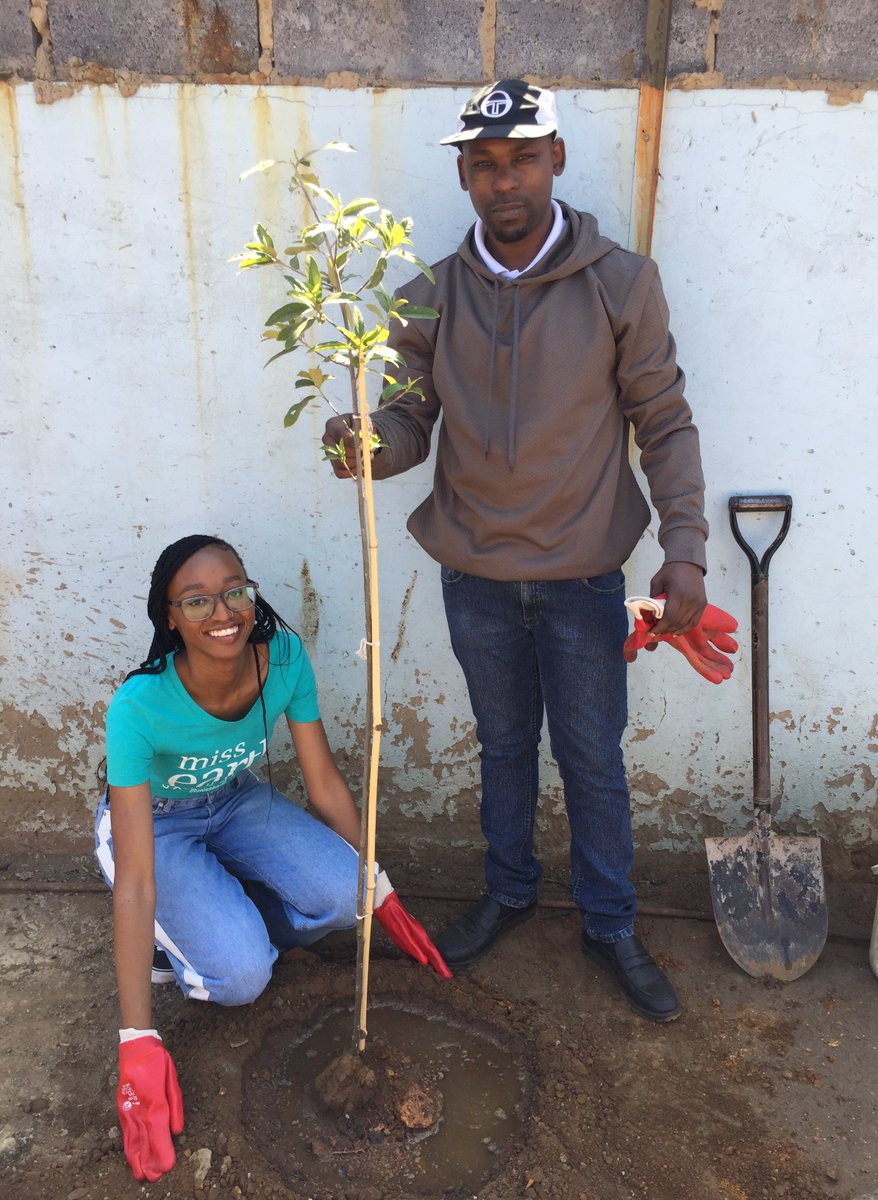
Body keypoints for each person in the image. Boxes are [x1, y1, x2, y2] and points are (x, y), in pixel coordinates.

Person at [323, 80, 711, 1024]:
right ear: (464, 174)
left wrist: (686, 549)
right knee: (503, 747)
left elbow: (663, 422)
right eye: (485, 165)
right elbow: (414, 419)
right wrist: (370, 443)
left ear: (556, 161)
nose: (506, 182)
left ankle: (611, 923)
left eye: (523, 160)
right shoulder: (432, 291)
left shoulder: (621, 282)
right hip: (478, 577)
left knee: (591, 757)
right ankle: (507, 891)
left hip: (583, 576)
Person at [96, 534, 449, 1183]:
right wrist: (136, 1043)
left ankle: (217, 918)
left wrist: (377, 881)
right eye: (196, 601)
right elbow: (137, 878)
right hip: (157, 827)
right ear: (169, 617)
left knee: (346, 896)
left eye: (234, 591)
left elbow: (324, 785)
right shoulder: (139, 705)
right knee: (240, 978)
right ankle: (174, 948)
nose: (222, 612)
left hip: (234, 803)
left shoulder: (282, 658)